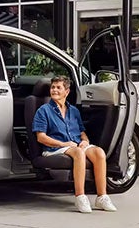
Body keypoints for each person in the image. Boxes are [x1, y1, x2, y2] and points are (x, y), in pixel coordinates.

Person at [32, 76, 117, 213]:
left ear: (66, 91)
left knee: (99, 152)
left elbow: (81, 132)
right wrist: (63, 144)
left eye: (58, 87)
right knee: (78, 152)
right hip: (54, 148)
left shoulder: (74, 111)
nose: (54, 90)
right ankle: (80, 196)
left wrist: (85, 141)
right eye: (53, 87)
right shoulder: (43, 110)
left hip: (75, 145)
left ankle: (102, 197)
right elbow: (41, 137)